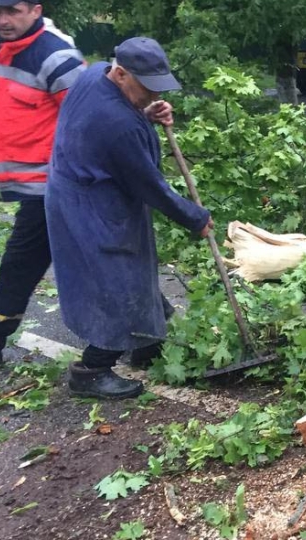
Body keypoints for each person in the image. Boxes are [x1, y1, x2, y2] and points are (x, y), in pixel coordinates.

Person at [44, 37, 212, 399]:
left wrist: (144, 113)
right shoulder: (118, 124)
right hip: (93, 206)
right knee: (117, 282)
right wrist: (195, 217)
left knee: (134, 271)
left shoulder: (94, 76)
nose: (153, 96)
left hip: (79, 190)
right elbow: (150, 186)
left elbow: (118, 124)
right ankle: (92, 370)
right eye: (146, 90)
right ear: (120, 74)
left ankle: (147, 343)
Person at [0, 0, 84, 377]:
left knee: (24, 265)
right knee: (99, 257)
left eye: (14, 11)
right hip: (29, 187)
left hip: (60, 186)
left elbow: (89, 120)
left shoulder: (58, 56)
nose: (4, 21)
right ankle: (152, 334)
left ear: (35, 9)